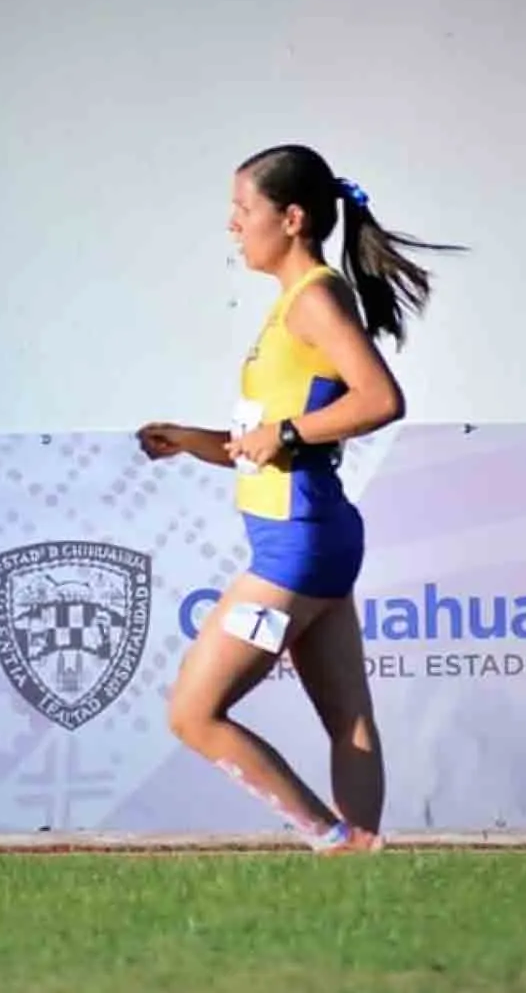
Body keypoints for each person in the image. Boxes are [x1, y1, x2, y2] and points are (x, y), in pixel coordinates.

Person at [137, 144, 461, 853]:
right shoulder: (297, 301)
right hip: (311, 532)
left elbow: (380, 399)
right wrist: (196, 439)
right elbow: (275, 440)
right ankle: (364, 866)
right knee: (349, 719)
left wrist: (283, 432)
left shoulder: (313, 297)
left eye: (242, 210)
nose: (231, 225)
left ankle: (332, 837)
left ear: (290, 219)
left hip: (296, 545)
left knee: (193, 714)